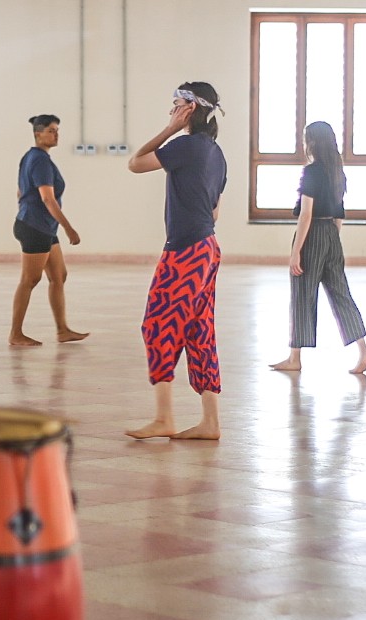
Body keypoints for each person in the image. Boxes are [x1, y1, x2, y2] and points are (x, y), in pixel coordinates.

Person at [125, 83, 226, 441]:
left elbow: (135, 163)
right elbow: (215, 210)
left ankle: (163, 417)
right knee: (200, 332)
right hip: (208, 247)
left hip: (185, 249)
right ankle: (210, 422)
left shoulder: (184, 146)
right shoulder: (215, 153)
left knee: (157, 325)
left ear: (190, 109)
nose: (171, 112)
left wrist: (168, 132)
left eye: (175, 106)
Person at [268, 121, 366, 375]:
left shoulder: (312, 172)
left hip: (312, 233)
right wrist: (331, 241)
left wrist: (296, 252)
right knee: (341, 294)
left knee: (303, 293)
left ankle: (295, 357)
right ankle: (364, 352)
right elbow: (339, 213)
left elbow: (306, 214)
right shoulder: (337, 171)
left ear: (311, 142)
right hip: (332, 235)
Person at [9, 114, 88, 347]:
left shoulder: (33, 157)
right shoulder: (40, 160)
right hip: (35, 227)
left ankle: (63, 330)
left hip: (41, 226)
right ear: (38, 133)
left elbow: (20, 191)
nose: (56, 134)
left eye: (57, 130)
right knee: (29, 279)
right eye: (51, 130)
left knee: (58, 276)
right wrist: (69, 228)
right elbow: (47, 198)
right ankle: (15, 334)